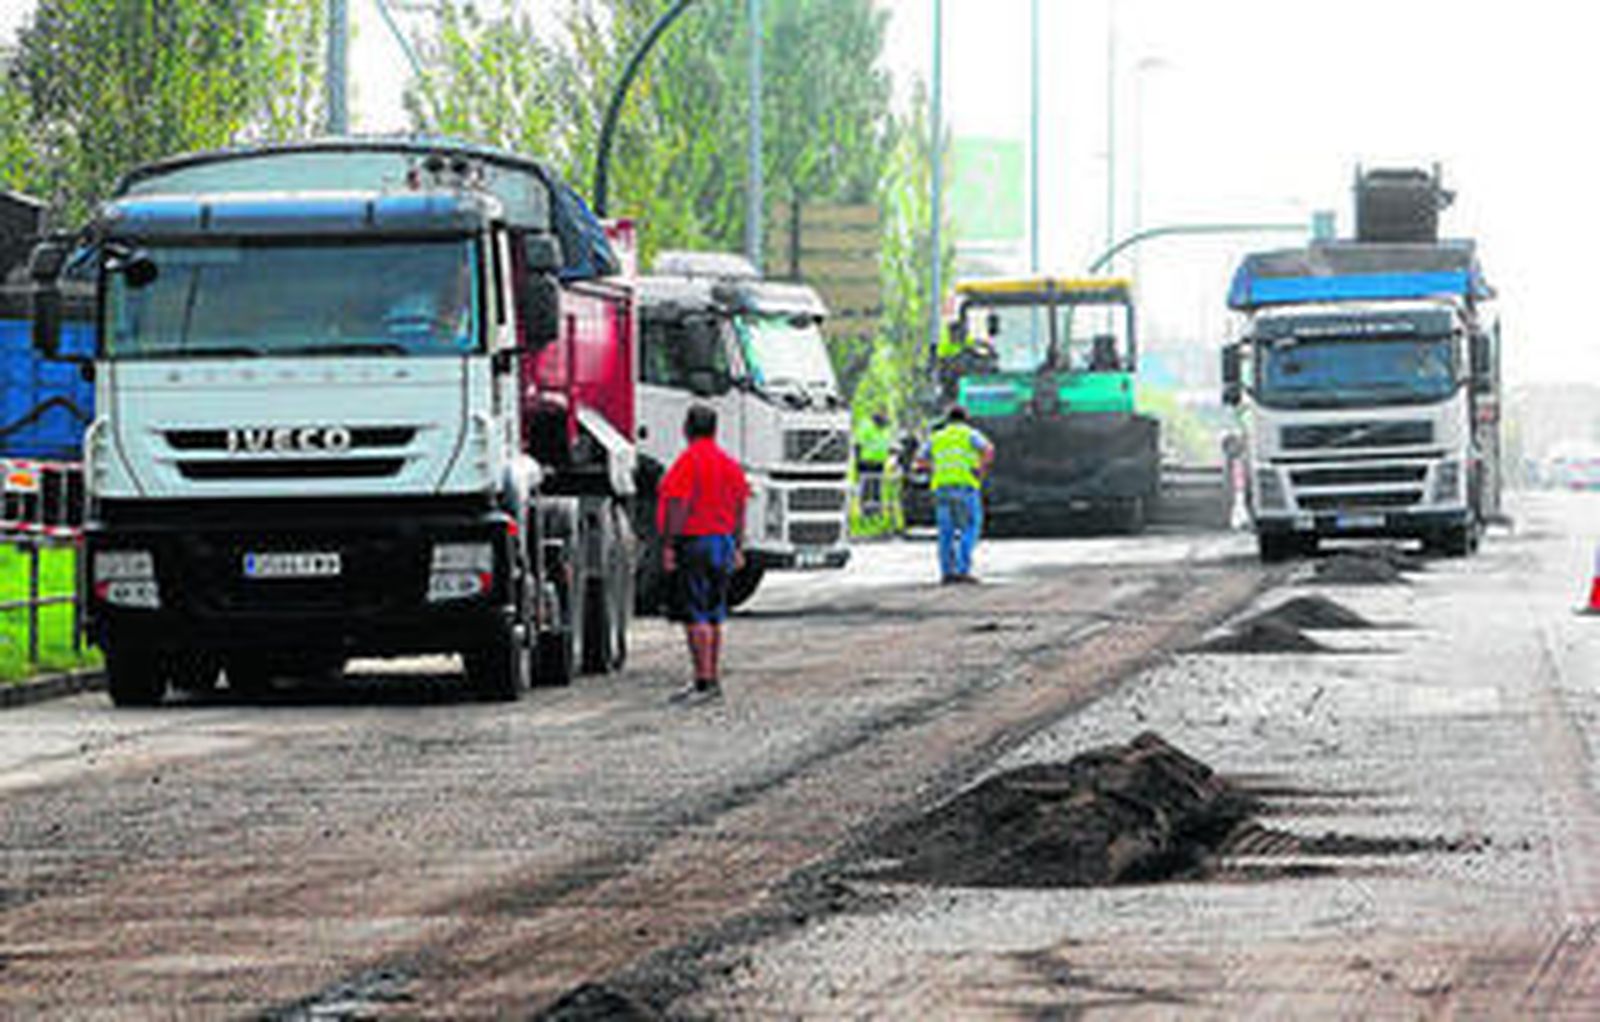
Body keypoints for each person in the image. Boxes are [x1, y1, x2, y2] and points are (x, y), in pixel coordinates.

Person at [658, 403, 751, 702]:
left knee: (695, 613)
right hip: (723, 542)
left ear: (687, 429)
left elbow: (678, 505)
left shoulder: (687, 463)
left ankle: (703, 681)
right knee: (714, 613)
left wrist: (670, 544)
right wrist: (738, 546)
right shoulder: (730, 465)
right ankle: (711, 681)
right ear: (715, 429)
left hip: (696, 542)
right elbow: (740, 509)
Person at [915, 404, 995, 584]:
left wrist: (934, 469)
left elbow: (919, 461)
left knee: (946, 532)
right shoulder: (969, 434)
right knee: (970, 526)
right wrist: (979, 470)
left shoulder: (936, 437)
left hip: (942, 488)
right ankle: (962, 569)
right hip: (965, 486)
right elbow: (988, 449)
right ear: (965, 418)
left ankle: (946, 572)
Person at [854, 410, 893, 517]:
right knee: (866, 488)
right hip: (866, 462)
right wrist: (858, 462)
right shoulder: (866, 427)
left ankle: (876, 511)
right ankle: (864, 511)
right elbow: (858, 445)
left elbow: (884, 444)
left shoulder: (884, 430)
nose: (884, 426)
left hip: (879, 463)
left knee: (877, 488)